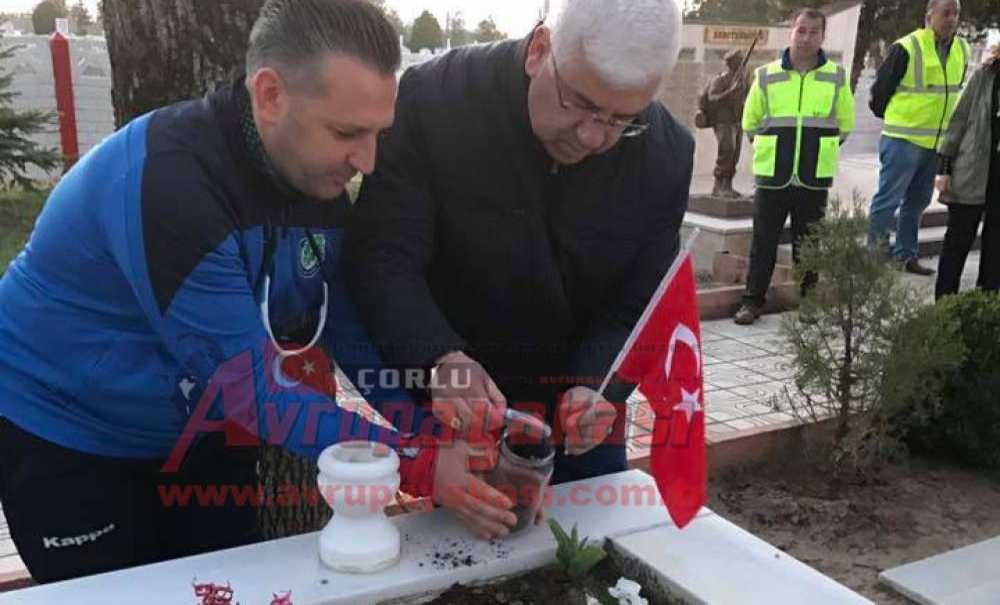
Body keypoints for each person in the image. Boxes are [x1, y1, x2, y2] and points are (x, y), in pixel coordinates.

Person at [0, 0, 463, 583]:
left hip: (194, 423)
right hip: (67, 432)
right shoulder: (172, 184)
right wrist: (421, 464)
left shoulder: (311, 174)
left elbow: (340, 319)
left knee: (227, 589)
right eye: (348, 132)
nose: (366, 161)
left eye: (378, 134)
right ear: (270, 95)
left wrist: (425, 425)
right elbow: (253, 393)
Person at [345, 0, 692, 540]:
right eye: (580, 104)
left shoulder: (666, 155)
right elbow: (382, 255)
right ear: (539, 51)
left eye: (621, 120)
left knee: (590, 564)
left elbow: (639, 303)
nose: (591, 137)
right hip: (457, 403)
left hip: (579, 419)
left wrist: (598, 385)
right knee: (456, 561)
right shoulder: (437, 102)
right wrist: (437, 356)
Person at [732, 9, 855, 326]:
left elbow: (845, 125)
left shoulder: (836, 77)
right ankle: (752, 302)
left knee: (810, 244)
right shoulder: (767, 74)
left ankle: (809, 303)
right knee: (763, 242)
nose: (806, 37)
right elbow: (750, 122)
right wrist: (770, 149)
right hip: (773, 175)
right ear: (791, 32)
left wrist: (818, 150)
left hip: (813, 177)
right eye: (801, 30)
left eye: (814, 32)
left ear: (822, 36)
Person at [868, 0, 970, 276]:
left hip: (935, 142)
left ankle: (906, 255)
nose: (951, 18)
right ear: (929, 15)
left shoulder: (962, 48)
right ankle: (874, 259)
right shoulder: (907, 46)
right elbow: (879, 94)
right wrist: (897, 120)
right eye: (945, 12)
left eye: (956, 13)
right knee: (887, 202)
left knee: (917, 203)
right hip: (902, 140)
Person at [934, 45, 1000, 298]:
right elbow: (958, 121)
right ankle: (944, 306)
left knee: (995, 249)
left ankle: (986, 306)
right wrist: (945, 166)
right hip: (971, 171)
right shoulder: (984, 76)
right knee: (957, 243)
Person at [701, 49, 751, 198]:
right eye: (739, 60)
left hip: (737, 121)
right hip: (723, 122)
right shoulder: (720, 79)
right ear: (731, 63)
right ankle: (718, 187)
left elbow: (747, 98)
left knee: (734, 155)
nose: (742, 63)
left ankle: (728, 185)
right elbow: (712, 99)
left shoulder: (742, 79)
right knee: (726, 151)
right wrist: (731, 92)